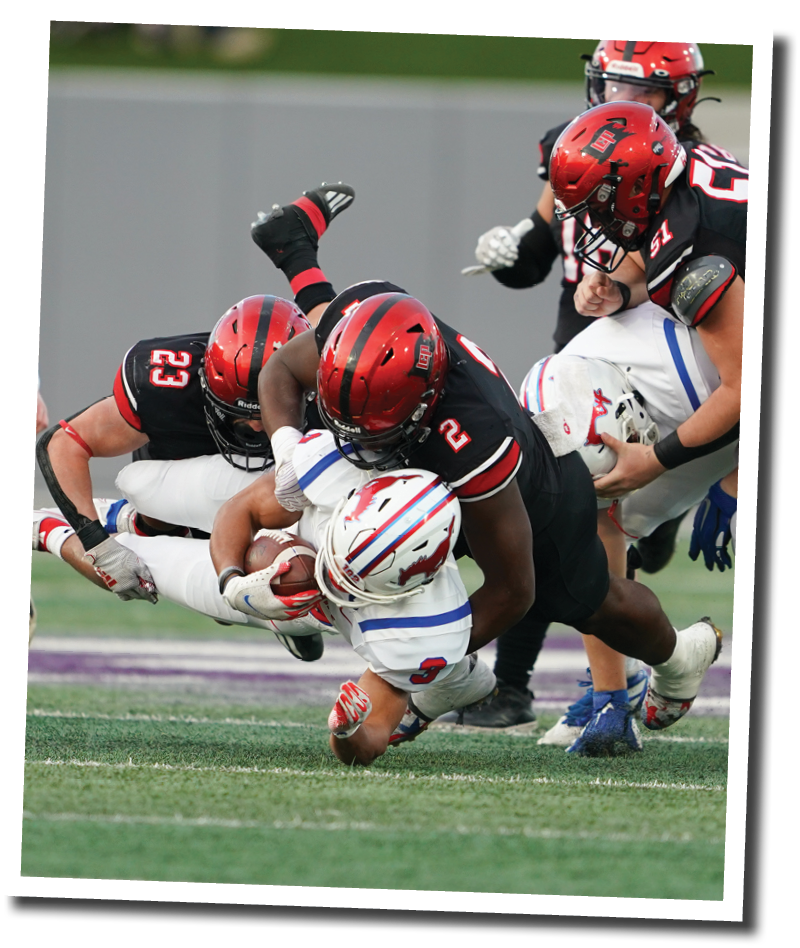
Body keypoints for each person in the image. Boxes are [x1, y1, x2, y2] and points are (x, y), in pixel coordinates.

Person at [245, 181, 725, 745]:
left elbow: (510, 591)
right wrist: (287, 453)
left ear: (425, 402)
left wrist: (417, 669)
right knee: (331, 514)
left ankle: (679, 656)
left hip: (534, 494)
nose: (356, 439)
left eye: (375, 423)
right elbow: (280, 369)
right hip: (428, 458)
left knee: (587, 601)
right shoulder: (358, 325)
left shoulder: (475, 440)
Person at [464, 40, 719, 728]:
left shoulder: (685, 176)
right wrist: (513, 253)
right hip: (586, 343)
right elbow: (542, 254)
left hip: (664, 361)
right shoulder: (570, 148)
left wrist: (720, 470)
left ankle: (613, 685)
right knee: (558, 504)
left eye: (641, 91)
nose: (621, 101)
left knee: (580, 512)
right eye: (611, 84)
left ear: (679, 98)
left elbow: (729, 346)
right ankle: (523, 686)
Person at [32, 456, 498, 768]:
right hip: (286, 532)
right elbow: (243, 508)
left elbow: (367, 743)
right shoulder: (339, 476)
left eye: (353, 578)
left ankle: (43, 529)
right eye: (340, 557)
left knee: (133, 571)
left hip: (304, 611)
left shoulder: (417, 631)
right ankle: (120, 516)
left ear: (408, 582)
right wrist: (234, 582)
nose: (333, 576)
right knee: (144, 484)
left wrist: (346, 728)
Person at [33, 293, 326, 661]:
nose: (256, 426)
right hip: (174, 471)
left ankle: (114, 521)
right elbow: (64, 443)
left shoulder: (330, 383)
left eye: (268, 411)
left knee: (283, 562)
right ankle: (76, 526)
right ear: (209, 384)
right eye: (241, 414)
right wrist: (97, 545)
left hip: (278, 480)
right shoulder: (168, 380)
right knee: (157, 539)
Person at [516, 298, 738, 749]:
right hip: (674, 428)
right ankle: (625, 684)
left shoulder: (692, 367)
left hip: (726, 409)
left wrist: (732, 481)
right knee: (588, 524)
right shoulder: (571, 374)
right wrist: (609, 696)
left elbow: (750, 387)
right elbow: (597, 537)